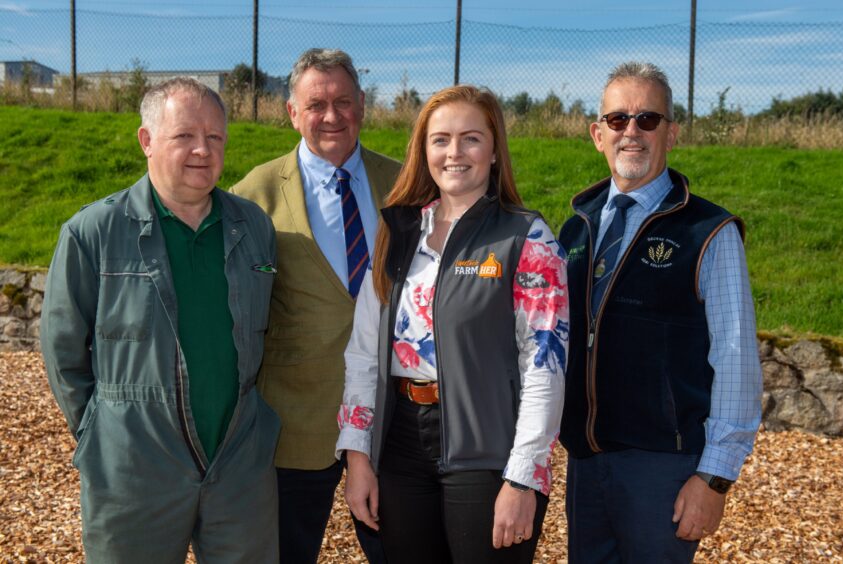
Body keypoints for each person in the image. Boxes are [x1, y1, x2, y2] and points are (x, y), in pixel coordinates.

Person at [40, 77, 280, 562]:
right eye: (184, 136)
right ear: (146, 141)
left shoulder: (252, 226)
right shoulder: (93, 232)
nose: (202, 150)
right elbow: (63, 349)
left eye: (215, 137)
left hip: (238, 465)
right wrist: (100, 432)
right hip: (133, 468)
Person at [335, 85, 569, 564]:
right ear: (423, 151)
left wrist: (523, 477)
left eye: (471, 138)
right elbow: (362, 353)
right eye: (440, 139)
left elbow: (545, 366)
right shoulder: (397, 233)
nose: (454, 153)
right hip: (400, 447)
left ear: (495, 151)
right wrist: (358, 456)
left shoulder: (528, 237)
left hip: (487, 453)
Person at [557, 61, 763, 563]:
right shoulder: (574, 229)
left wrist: (714, 477)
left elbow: (736, 360)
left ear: (671, 134)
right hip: (585, 460)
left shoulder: (708, 232)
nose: (632, 131)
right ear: (596, 134)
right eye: (618, 119)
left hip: (663, 467)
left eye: (648, 119)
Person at [230, 48, 400, 563]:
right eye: (316, 103)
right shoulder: (252, 194)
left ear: (363, 106)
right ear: (291, 112)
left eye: (343, 101)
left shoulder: (407, 185)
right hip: (292, 421)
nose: (331, 116)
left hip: (391, 419)